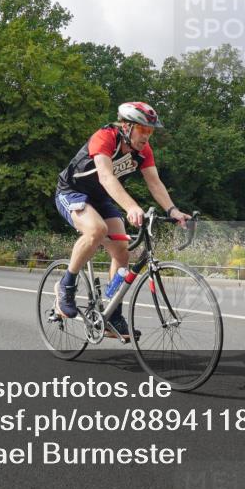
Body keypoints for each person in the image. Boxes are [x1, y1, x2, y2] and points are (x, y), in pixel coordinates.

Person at [54, 102, 188, 339]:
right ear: (126, 126)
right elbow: (105, 176)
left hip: (100, 199)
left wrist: (172, 210)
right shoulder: (104, 137)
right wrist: (131, 206)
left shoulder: (143, 152)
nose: (147, 136)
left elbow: (154, 183)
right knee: (96, 230)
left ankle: (111, 312)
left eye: (150, 131)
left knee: (122, 252)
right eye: (142, 130)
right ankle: (66, 285)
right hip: (71, 192)